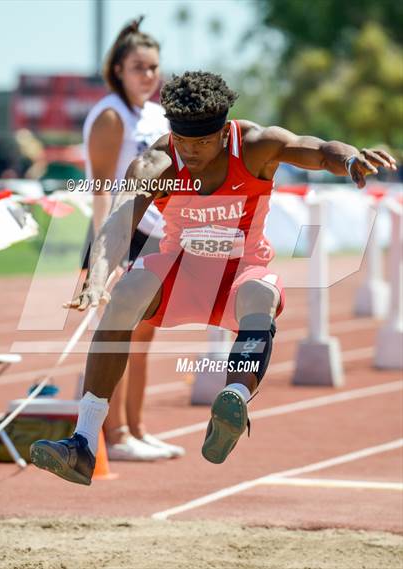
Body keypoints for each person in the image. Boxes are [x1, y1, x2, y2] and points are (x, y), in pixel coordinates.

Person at [30, 71, 397, 485]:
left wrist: (349, 158)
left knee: (261, 294)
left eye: (202, 143)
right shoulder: (157, 161)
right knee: (125, 292)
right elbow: (118, 223)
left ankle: (233, 402)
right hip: (177, 274)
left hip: (240, 274)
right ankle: (82, 443)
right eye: (183, 141)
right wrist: (97, 276)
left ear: (224, 132)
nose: (190, 152)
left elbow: (316, 149)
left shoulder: (257, 146)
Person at [81, 17, 184, 461]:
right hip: (121, 233)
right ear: (118, 69)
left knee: (144, 338)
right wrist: (110, 251)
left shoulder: (158, 115)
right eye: (139, 67)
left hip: (156, 235)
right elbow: (101, 189)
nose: (148, 75)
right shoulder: (110, 115)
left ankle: (138, 429)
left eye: (154, 67)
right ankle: (116, 435)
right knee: (118, 338)